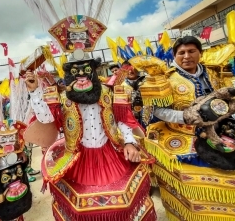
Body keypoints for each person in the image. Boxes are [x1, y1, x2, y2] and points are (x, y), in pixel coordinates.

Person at [131, 35, 235, 220]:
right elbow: (158, 111)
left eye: (191, 51)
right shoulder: (164, 79)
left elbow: (226, 101)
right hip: (182, 131)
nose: (186, 56)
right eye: (181, 53)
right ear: (174, 56)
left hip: (220, 127)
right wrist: (184, 116)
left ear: (200, 53)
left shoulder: (213, 73)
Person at [24, 47, 155, 220]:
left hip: (111, 154)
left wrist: (130, 142)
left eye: (86, 70)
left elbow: (122, 119)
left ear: (93, 71)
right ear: (70, 74)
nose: (81, 76)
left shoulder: (109, 92)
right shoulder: (62, 97)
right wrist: (34, 92)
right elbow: (46, 118)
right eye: (75, 71)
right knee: (82, 209)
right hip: (78, 157)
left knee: (121, 204)